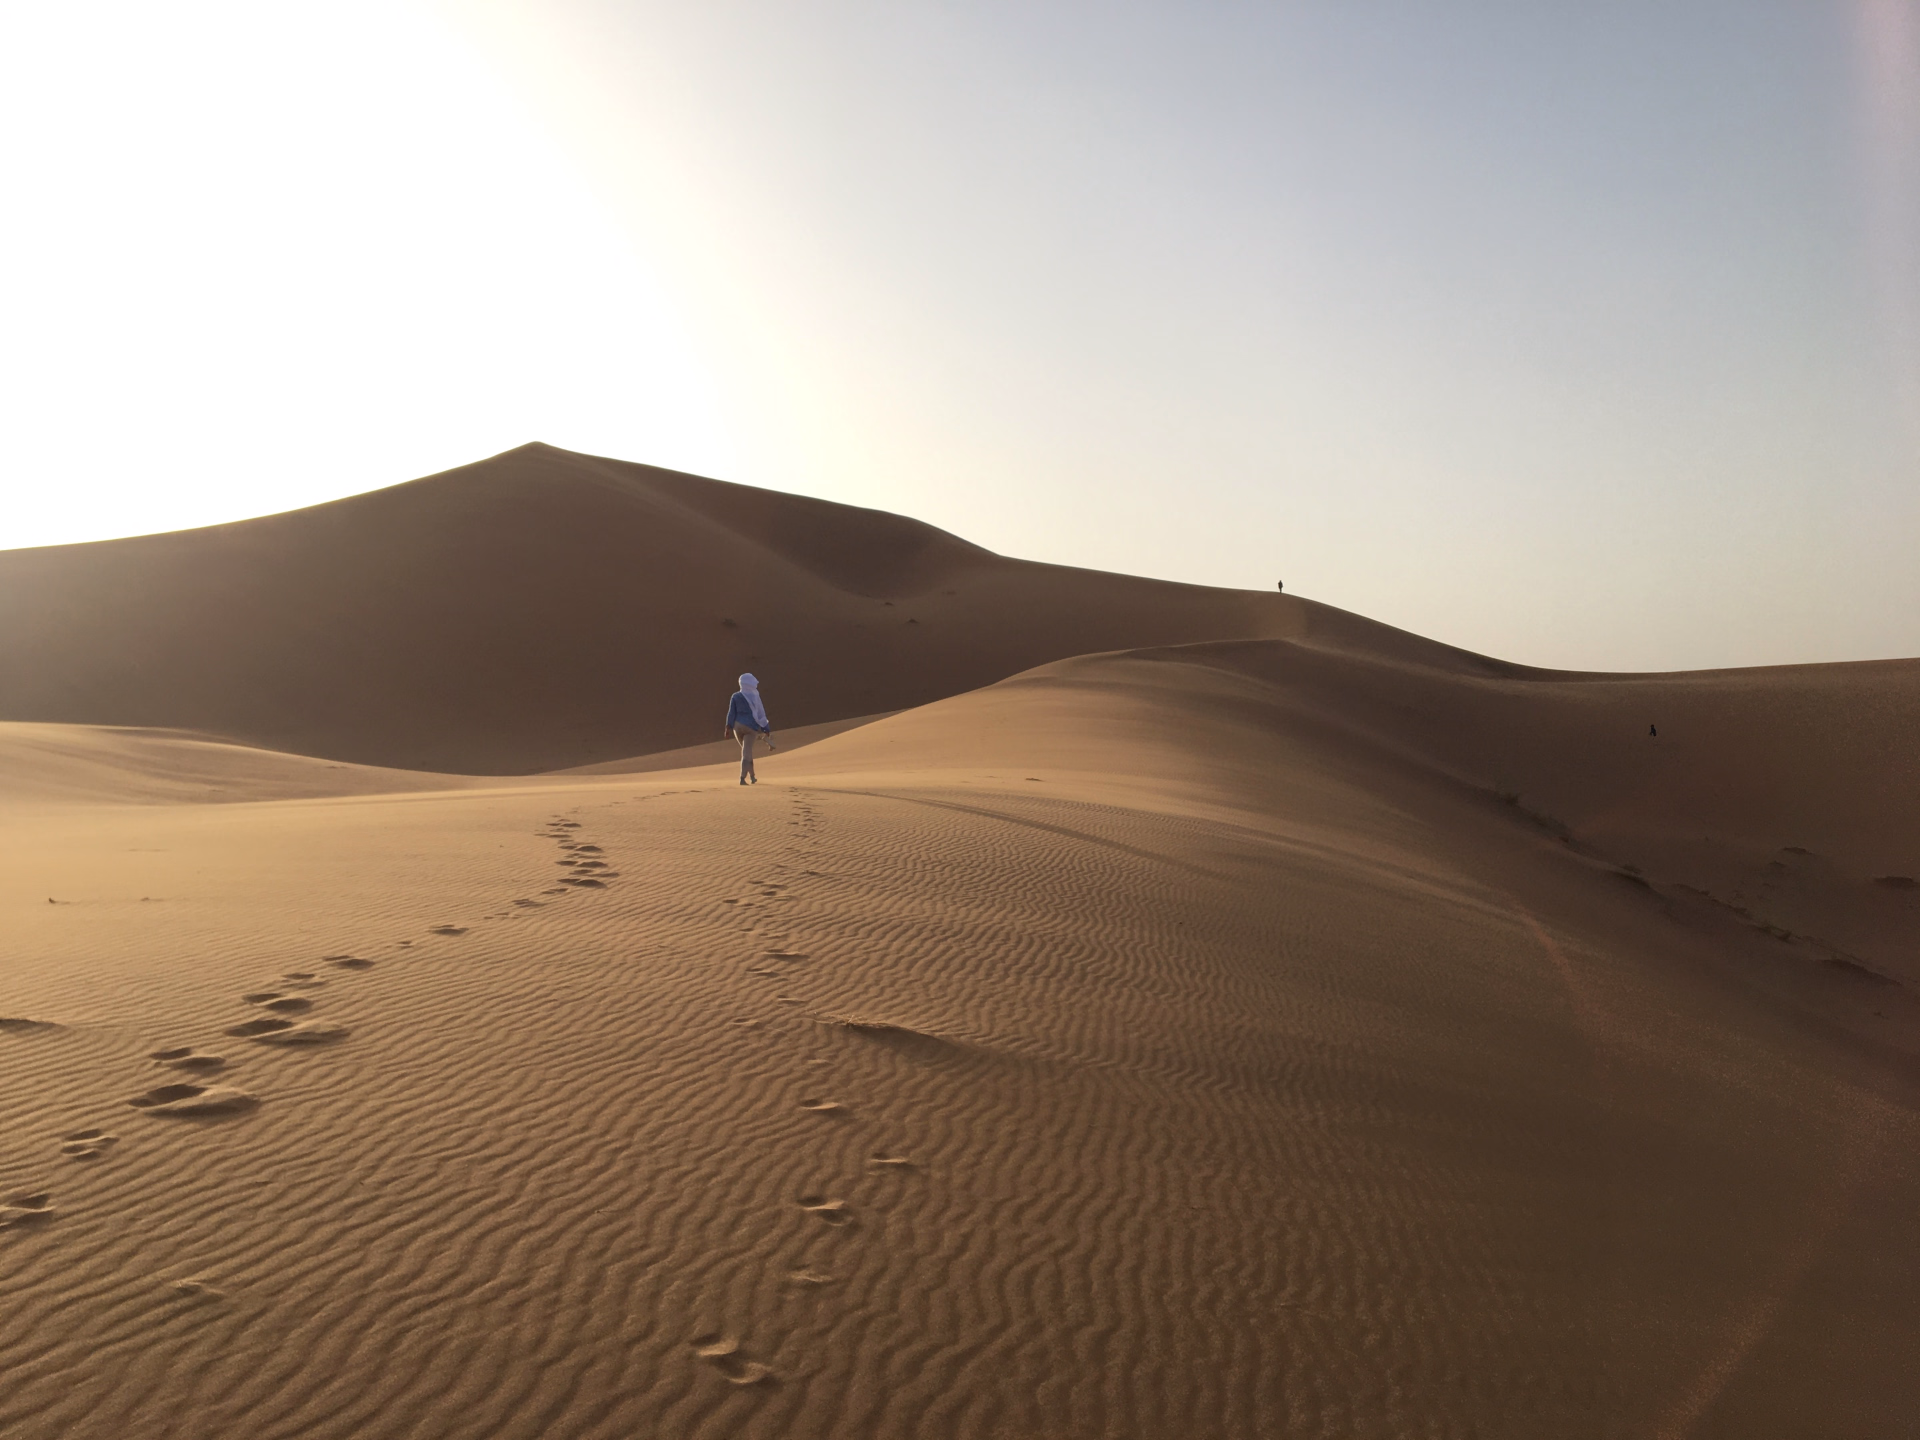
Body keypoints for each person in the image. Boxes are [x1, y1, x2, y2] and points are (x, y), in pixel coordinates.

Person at [724, 672, 774, 785]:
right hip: (751, 727)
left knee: (747, 751)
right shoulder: (755, 696)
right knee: (746, 752)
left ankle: (752, 777)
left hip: (737, 727)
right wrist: (766, 727)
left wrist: (728, 728)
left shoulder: (735, 696)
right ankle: (742, 778)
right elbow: (761, 713)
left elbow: (731, 713)